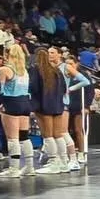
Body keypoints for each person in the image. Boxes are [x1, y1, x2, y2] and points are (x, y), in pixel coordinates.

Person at [29, 46, 71, 174]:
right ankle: (64, 162)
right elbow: (64, 88)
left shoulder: (35, 69)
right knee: (58, 135)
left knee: (48, 135)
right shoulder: (56, 70)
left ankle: (54, 163)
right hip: (58, 106)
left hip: (43, 106)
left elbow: (33, 88)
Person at [0, 42, 34, 179]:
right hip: (25, 103)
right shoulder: (24, 71)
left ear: (7, 54)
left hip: (11, 103)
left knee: (12, 138)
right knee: (24, 137)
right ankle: (29, 167)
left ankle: (14, 168)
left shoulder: (4, 70)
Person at [63, 55, 92, 169]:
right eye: (67, 64)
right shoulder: (65, 75)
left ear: (77, 64)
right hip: (66, 106)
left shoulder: (83, 75)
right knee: (64, 131)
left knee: (78, 130)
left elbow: (90, 91)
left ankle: (81, 153)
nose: (69, 66)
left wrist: (87, 106)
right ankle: (67, 154)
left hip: (79, 106)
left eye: (71, 63)